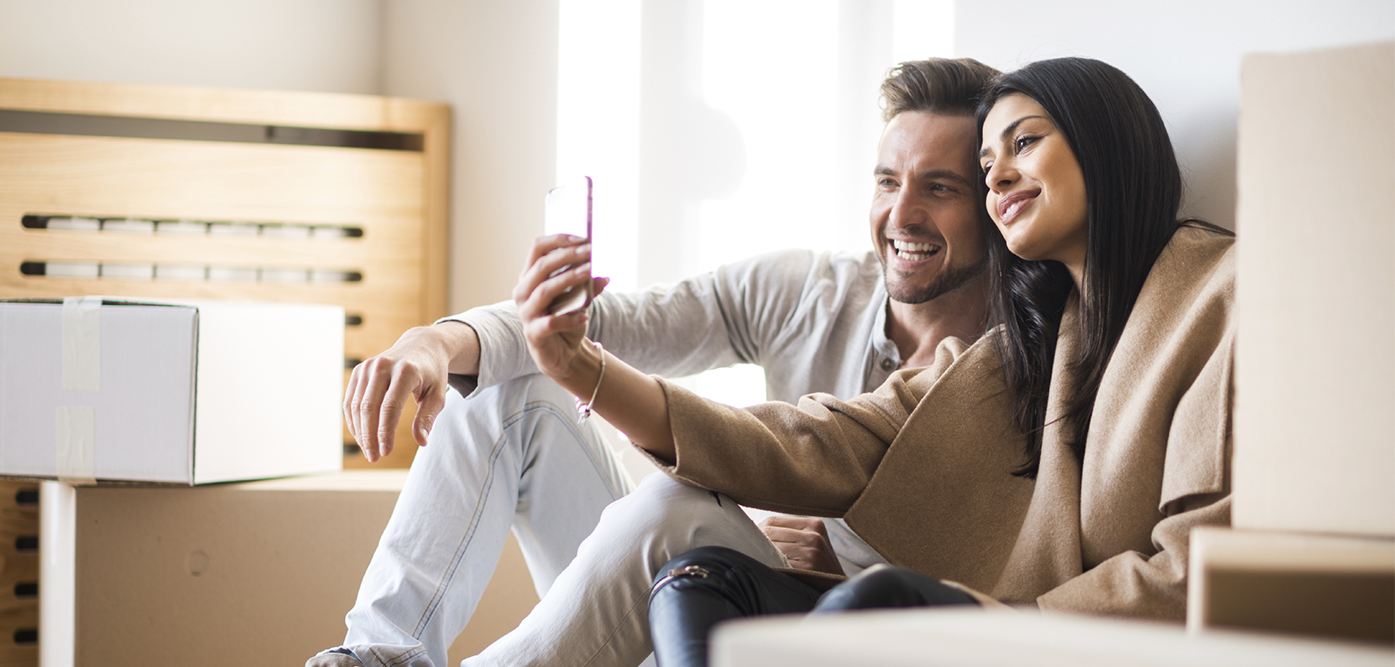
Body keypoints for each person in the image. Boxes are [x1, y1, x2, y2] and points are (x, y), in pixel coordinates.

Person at [511, 57, 1234, 666]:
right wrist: (584, 371)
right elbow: (821, 438)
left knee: (878, 598)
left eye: (1024, 144)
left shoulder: (1216, 293)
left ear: (1104, 144)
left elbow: (1195, 572)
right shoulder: (1026, 343)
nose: (999, 179)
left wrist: (1011, 615)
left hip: (1056, 633)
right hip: (993, 618)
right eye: (987, 165)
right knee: (699, 581)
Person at [311, 57, 1000, 667]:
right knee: (507, 391)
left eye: (939, 188)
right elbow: (606, 326)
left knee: (680, 502)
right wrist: (433, 342)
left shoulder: (1013, 364)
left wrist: (845, 560)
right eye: (887, 181)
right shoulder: (810, 294)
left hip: (820, 627)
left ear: (995, 201)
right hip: (692, 597)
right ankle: (374, 656)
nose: (901, 213)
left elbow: (992, 571)